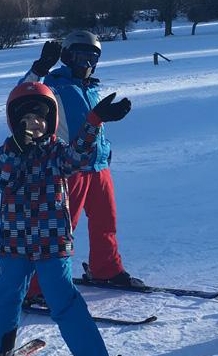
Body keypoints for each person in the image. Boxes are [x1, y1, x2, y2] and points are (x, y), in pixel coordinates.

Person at [0, 81, 133, 356]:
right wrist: (17, 147)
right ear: (14, 121)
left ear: (53, 121)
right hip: (15, 243)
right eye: (27, 118)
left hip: (51, 241)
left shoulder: (57, 152)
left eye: (41, 118)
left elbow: (80, 157)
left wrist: (93, 122)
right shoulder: (7, 152)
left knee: (63, 300)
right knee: (4, 296)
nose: (35, 124)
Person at [19, 31, 142, 302]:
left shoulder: (92, 88)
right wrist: (38, 69)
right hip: (68, 167)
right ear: (67, 57)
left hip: (98, 167)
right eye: (80, 56)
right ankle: (36, 287)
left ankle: (105, 269)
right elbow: (22, 96)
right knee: (58, 231)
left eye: (92, 57)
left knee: (105, 223)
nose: (86, 62)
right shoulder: (53, 84)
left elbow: (93, 124)